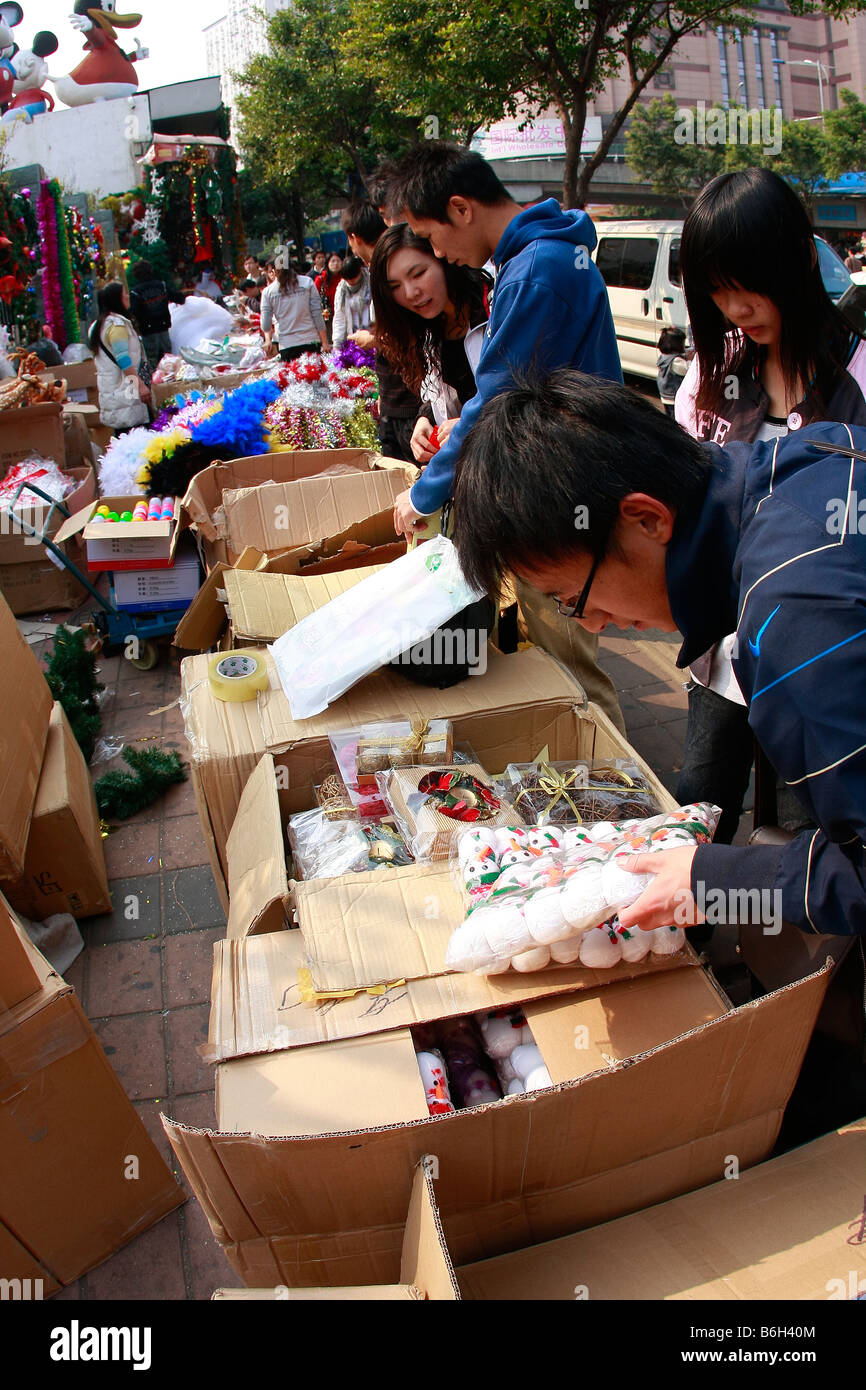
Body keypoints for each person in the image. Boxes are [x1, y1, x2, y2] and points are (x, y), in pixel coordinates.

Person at [386, 141, 625, 731]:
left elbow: (494, 401)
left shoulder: (537, 270)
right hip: (550, 483)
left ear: (461, 209)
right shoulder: (530, 262)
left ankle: (626, 800)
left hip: (564, 489)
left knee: (570, 669)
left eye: (430, 238)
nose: (436, 252)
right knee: (549, 652)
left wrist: (423, 494)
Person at [673, 169, 866, 844]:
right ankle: (687, 939)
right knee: (700, 804)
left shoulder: (858, 376)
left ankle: (810, 950)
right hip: (724, 647)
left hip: (823, 655)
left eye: (745, 282)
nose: (733, 306)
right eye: (715, 289)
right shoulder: (711, 378)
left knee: (825, 830)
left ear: (792, 261)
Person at [370, 224, 489, 465]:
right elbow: (443, 396)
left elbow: (523, 396)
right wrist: (426, 419)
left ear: (442, 260)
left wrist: (474, 423)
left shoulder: (493, 309)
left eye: (418, 274)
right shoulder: (426, 331)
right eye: (395, 287)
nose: (411, 292)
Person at [341, 199, 422, 463]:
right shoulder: (378, 268)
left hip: (409, 403)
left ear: (353, 238)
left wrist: (372, 339)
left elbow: (410, 336)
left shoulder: (389, 267)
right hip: (396, 399)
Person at [88, 280, 150, 432]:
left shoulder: (98, 326)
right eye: (125, 294)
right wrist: (140, 385)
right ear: (117, 300)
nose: (128, 297)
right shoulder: (116, 326)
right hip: (127, 394)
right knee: (135, 440)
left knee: (123, 440)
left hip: (115, 393)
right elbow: (123, 359)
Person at [259, 254, 328, 361]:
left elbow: (266, 325)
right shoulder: (307, 282)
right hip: (311, 341)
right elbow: (317, 314)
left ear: (273, 271)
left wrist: (268, 339)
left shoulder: (268, 292)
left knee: (293, 376)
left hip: (287, 345)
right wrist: (324, 342)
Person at [128, 257, 185, 372]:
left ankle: (158, 387)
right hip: (164, 328)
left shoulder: (135, 292)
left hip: (148, 332)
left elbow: (133, 311)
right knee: (169, 362)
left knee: (153, 364)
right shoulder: (162, 286)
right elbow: (180, 298)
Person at [332, 254, 372, 349]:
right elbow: (339, 317)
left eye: (353, 278)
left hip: (371, 335)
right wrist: (337, 345)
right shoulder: (341, 290)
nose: (350, 281)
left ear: (360, 271)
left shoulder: (371, 283)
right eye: (347, 279)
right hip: (353, 337)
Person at [656, 327, 690, 416]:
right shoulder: (676, 361)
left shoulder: (663, 357)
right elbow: (688, 370)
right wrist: (691, 360)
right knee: (677, 419)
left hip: (665, 396)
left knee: (669, 417)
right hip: (674, 397)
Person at [315, 251, 343, 333]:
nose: (336, 264)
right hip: (328, 319)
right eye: (333, 261)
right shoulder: (320, 280)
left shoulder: (345, 278)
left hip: (343, 317)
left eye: (338, 261)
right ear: (327, 263)